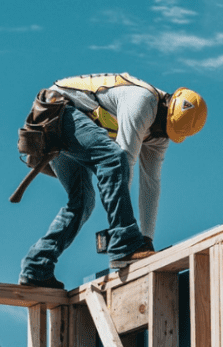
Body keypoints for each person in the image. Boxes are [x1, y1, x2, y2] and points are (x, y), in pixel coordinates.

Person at [18, 73, 207, 289]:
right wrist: (125, 238)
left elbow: (151, 185)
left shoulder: (159, 134)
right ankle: (124, 242)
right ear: (166, 105)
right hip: (56, 112)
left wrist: (147, 239)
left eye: (166, 131)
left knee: (82, 202)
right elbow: (122, 161)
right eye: (162, 126)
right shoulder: (143, 101)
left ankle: (36, 267)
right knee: (114, 158)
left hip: (70, 125)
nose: (159, 134)